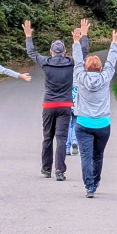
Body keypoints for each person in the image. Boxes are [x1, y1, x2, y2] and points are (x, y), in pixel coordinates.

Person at [24, 18, 89, 180]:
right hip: (65, 105)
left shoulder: (46, 62)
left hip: (49, 105)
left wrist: (28, 36)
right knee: (61, 138)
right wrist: (83, 36)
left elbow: (32, 52)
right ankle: (59, 171)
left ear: (51, 51)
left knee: (47, 137)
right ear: (65, 51)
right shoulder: (70, 63)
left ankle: (46, 169)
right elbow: (83, 53)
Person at [72, 23, 117, 197]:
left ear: (85, 68)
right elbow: (111, 61)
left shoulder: (80, 76)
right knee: (98, 155)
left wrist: (76, 41)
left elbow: (77, 61)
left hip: (83, 122)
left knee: (86, 156)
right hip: (102, 123)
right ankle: (96, 180)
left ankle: (89, 186)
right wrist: (115, 41)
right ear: (100, 69)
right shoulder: (105, 77)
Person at [66, 85, 80, 156]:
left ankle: (67, 148)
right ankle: (74, 141)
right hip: (77, 101)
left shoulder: (66, 78)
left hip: (67, 101)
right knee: (75, 123)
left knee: (66, 124)